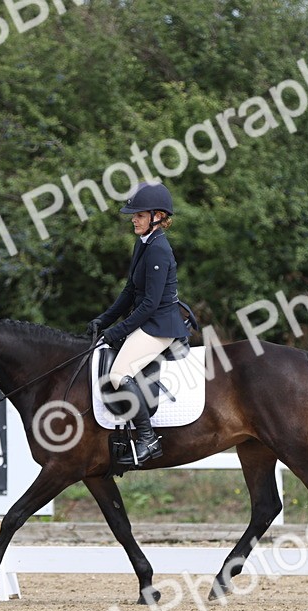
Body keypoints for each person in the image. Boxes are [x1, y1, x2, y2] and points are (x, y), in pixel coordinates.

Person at [86, 182, 189, 465]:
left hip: (161, 326)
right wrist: (104, 319)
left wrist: (117, 331)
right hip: (150, 320)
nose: (134, 219)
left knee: (118, 374)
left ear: (158, 216)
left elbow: (150, 304)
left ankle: (147, 438)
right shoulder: (143, 243)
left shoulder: (158, 249)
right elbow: (130, 290)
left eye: (140, 215)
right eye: (134, 215)